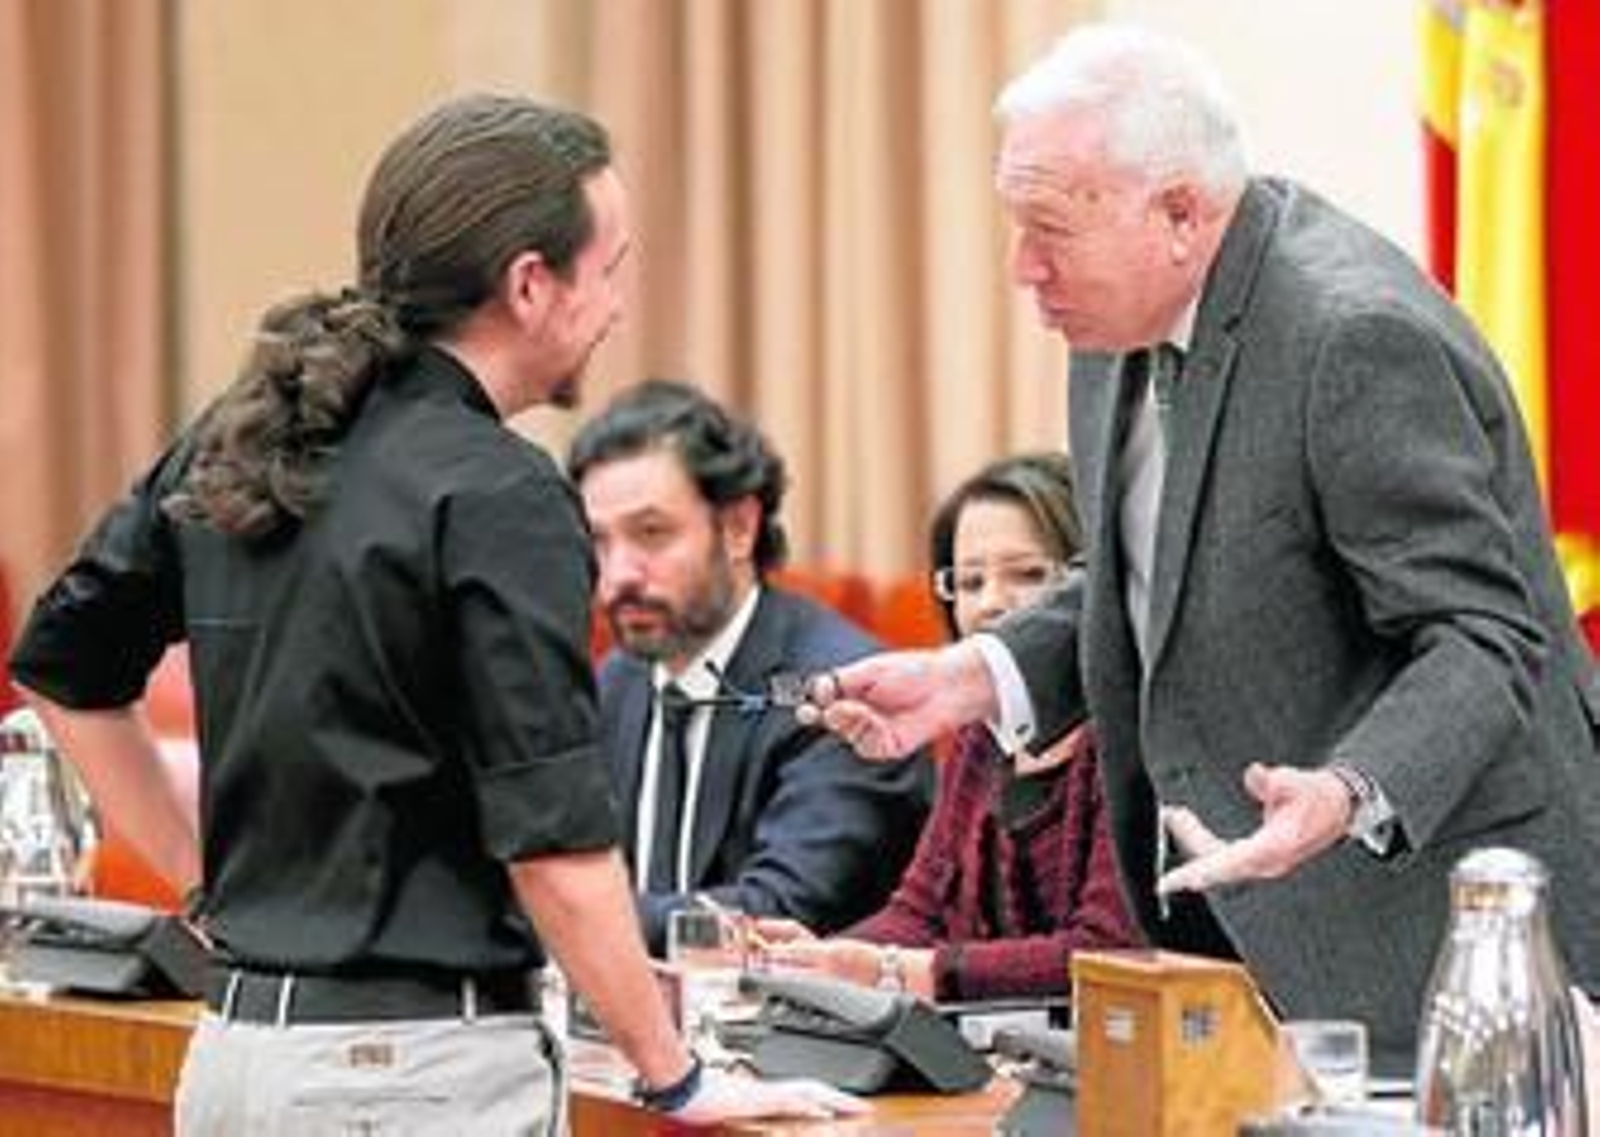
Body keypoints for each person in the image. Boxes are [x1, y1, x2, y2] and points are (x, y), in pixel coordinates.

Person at [8, 94, 859, 1131]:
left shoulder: (237, 439)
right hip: (408, 1075)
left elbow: (63, 668)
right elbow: (551, 834)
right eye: (612, 270)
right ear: (531, 284)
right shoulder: (497, 490)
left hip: (234, 1063)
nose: (618, 308)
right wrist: (673, 1072)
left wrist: (203, 879)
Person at [803, 26, 1600, 1075]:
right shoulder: (1114, 325)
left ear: (1178, 213)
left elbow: (1484, 637)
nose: (1020, 269)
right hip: (1244, 932)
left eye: (1047, 229)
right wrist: (972, 673)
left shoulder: (1351, 337)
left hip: (1441, 926)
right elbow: (1150, 577)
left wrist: (1350, 787)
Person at [567, 379, 932, 955]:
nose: (618, 577)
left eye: (651, 534)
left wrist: (560, 913)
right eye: (599, 542)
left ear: (739, 528)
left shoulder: (837, 690)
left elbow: (778, 911)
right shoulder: (611, 685)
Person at [758, 453, 1138, 1001]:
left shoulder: (1135, 736)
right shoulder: (980, 730)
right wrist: (819, 960)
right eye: (968, 581)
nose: (989, 604)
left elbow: (1107, 955)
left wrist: (900, 973)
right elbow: (918, 915)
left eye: (1029, 575)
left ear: (1085, 588)